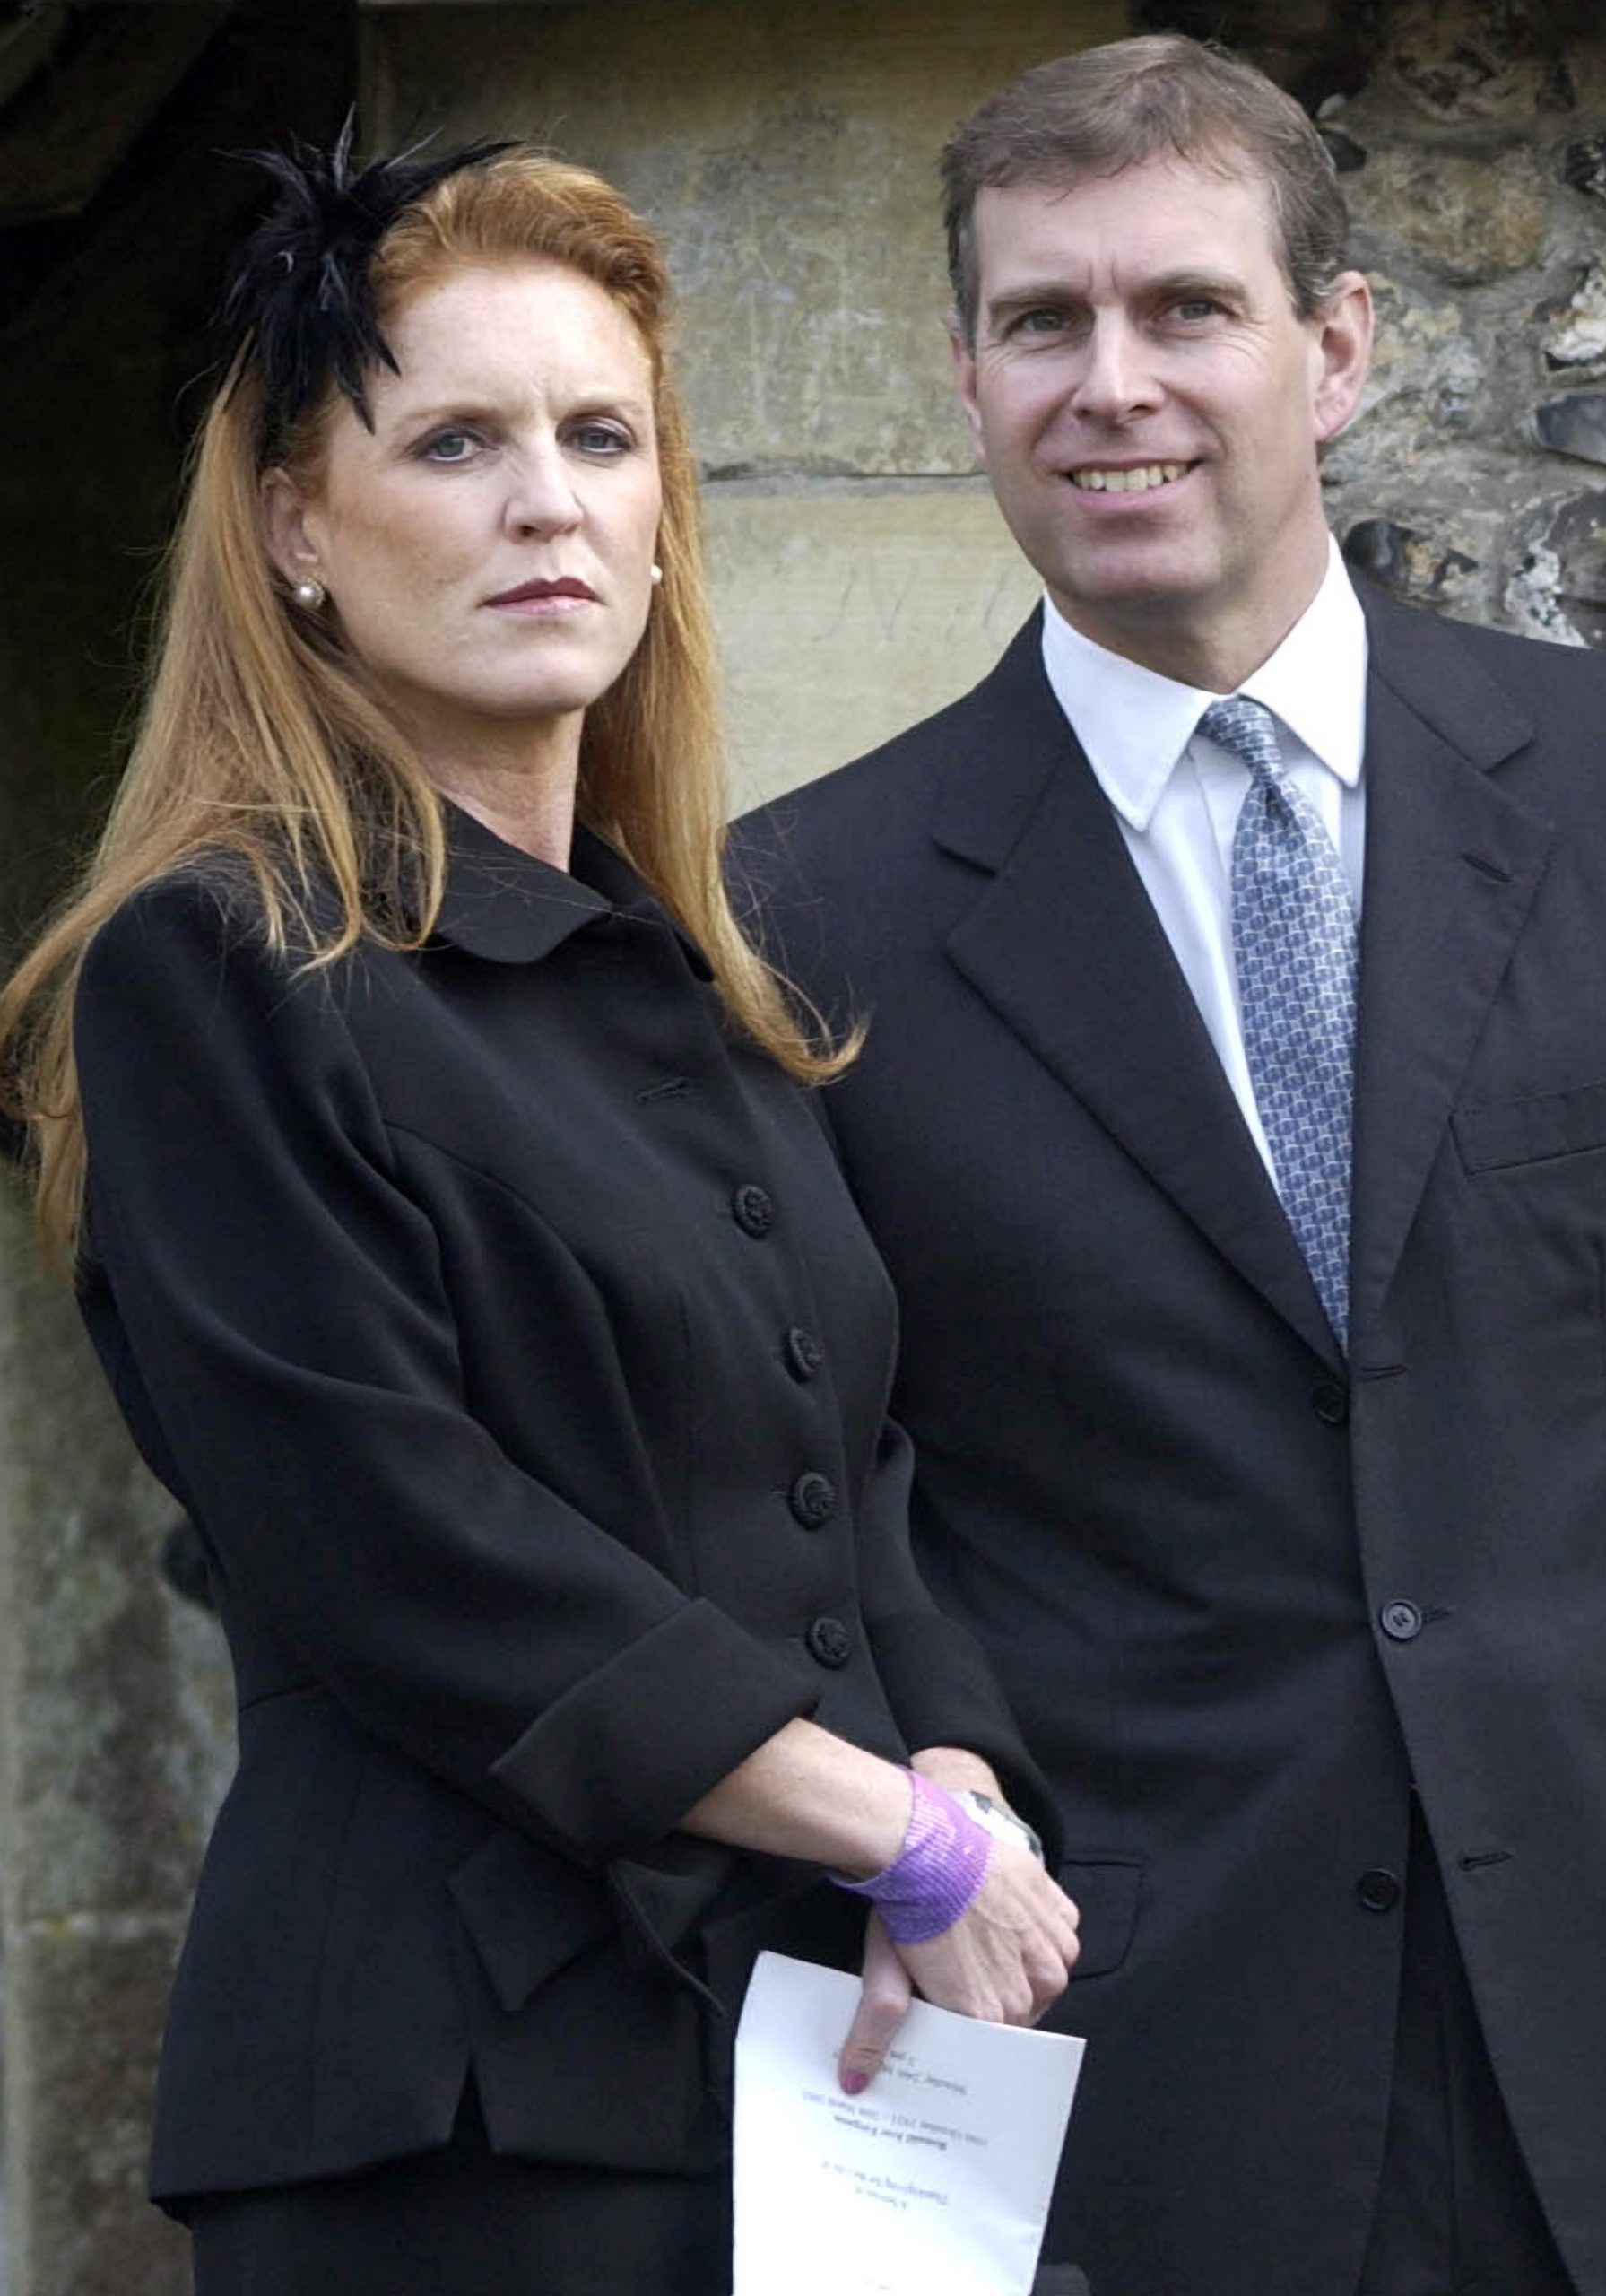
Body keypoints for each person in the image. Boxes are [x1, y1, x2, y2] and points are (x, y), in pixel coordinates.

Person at [0, 135, 1080, 2294]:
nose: (548, 500)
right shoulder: (214, 966)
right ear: (299, 528)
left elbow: (845, 1464)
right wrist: (902, 1824)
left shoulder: (695, 975)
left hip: (802, 2077)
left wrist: (955, 1753)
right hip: (457, 2105)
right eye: (458, 441)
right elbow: (396, 1534)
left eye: (601, 439)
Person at [736, 31, 1606, 2296]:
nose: (1108, 382)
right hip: (1153, 2076)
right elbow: (813, 1485)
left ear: (1334, 348)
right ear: (964, 376)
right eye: (1041, 321)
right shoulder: (793, 920)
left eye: (1184, 308)